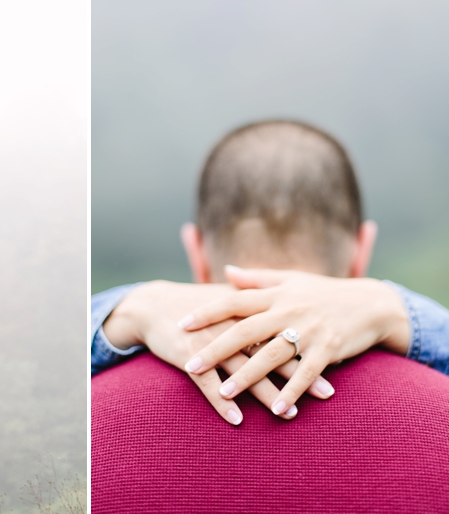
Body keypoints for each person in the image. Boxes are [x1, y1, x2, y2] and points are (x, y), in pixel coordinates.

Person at [91, 120, 449, 512]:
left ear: (195, 252)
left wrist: (123, 311)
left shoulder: (84, 425)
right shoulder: (438, 418)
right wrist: (399, 310)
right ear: (362, 250)